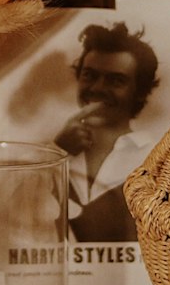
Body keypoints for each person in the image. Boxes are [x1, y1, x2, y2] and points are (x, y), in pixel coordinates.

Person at [53, 21, 159, 242]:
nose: (98, 88)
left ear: (139, 91)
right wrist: (57, 152)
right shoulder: (52, 150)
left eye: (116, 80)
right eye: (90, 75)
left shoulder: (156, 159)